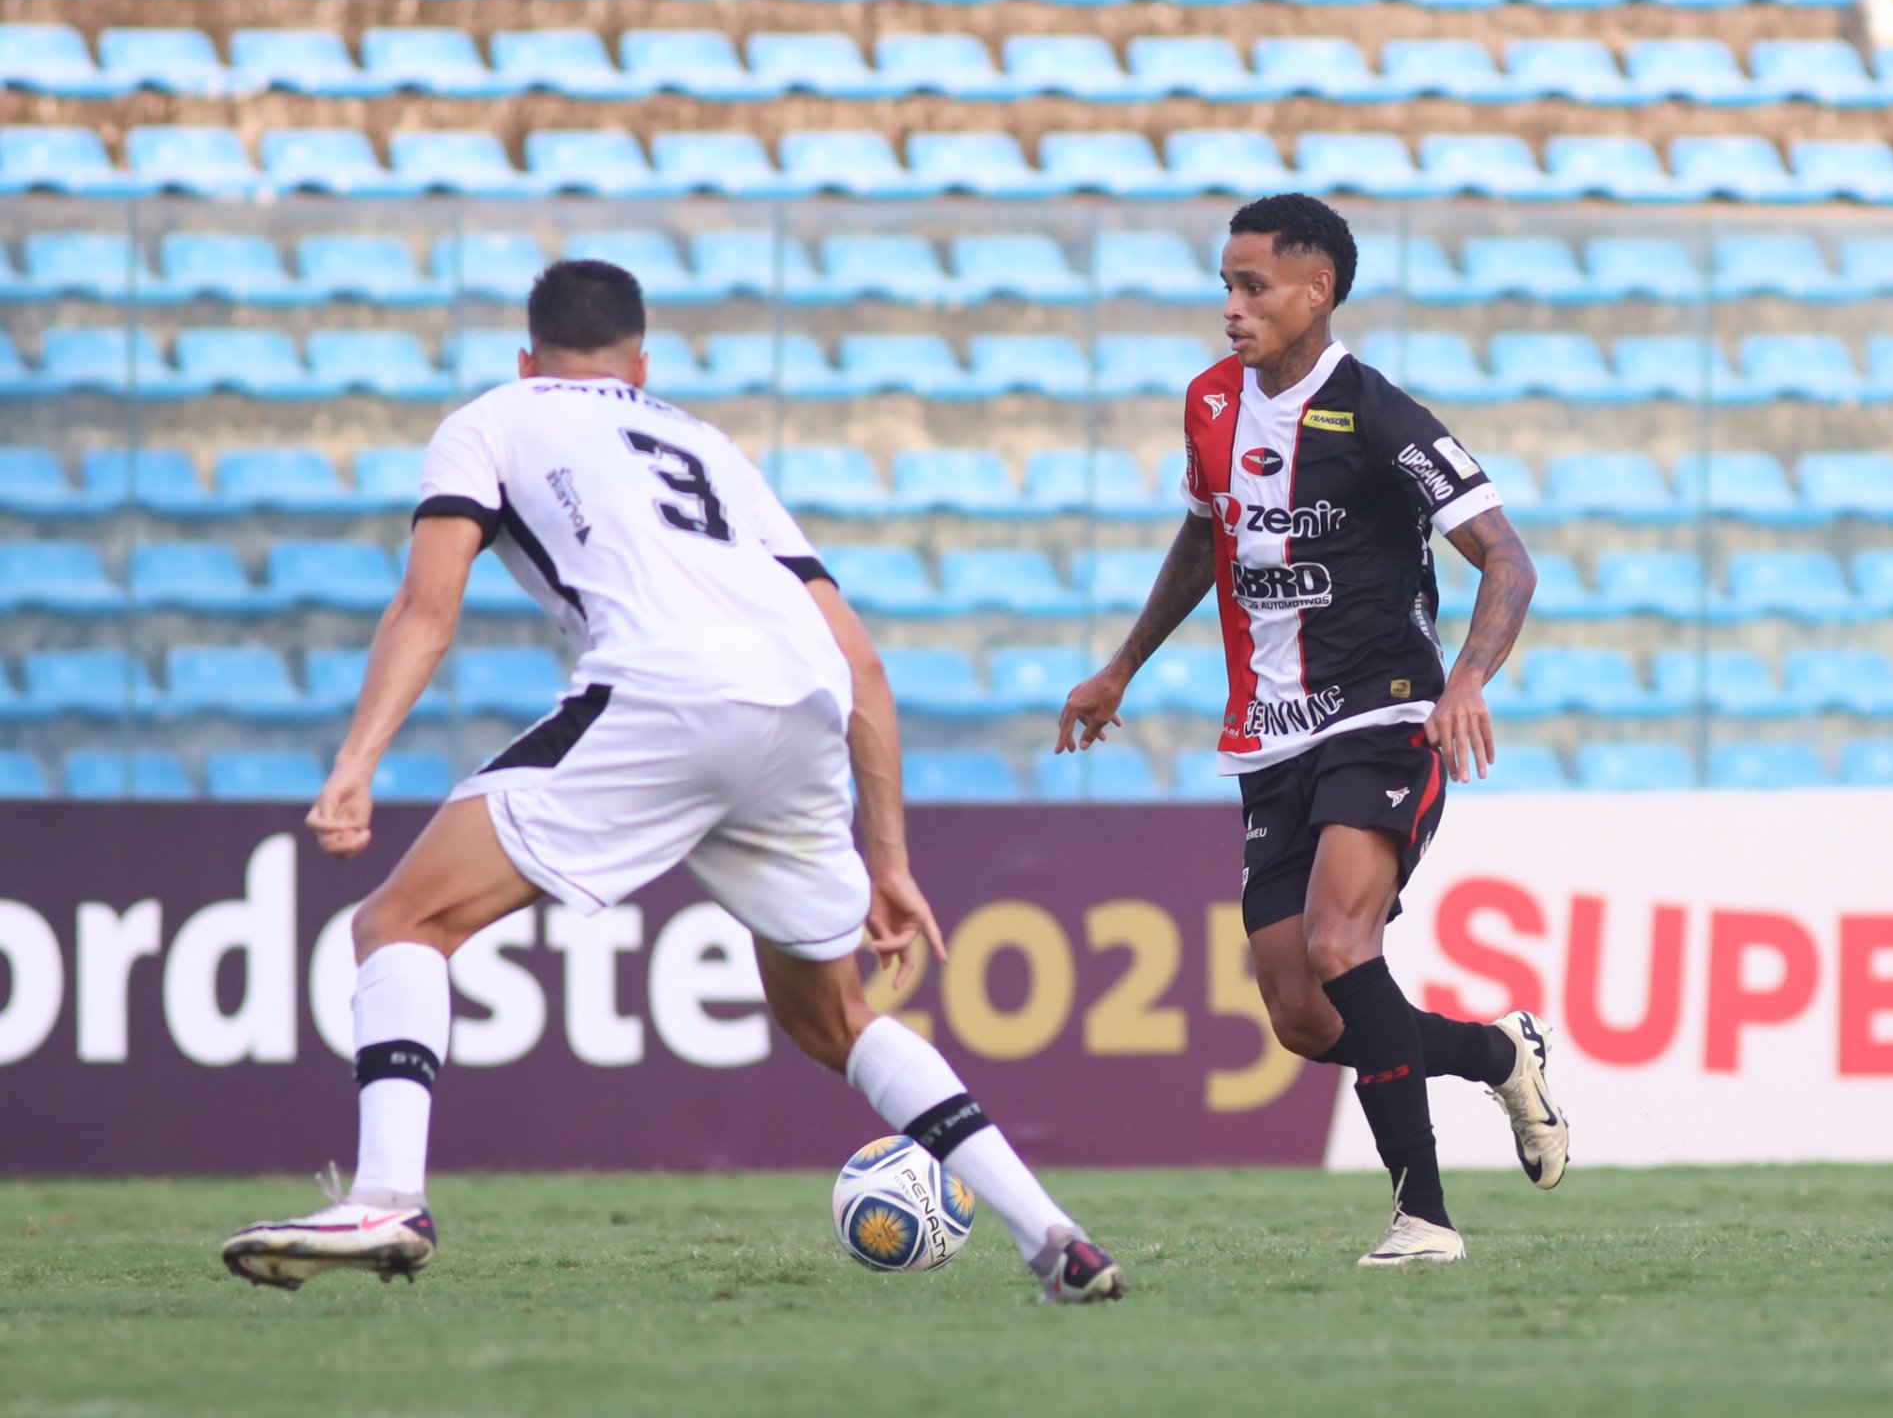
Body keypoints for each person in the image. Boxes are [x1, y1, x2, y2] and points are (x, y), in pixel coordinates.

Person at [221, 259, 1124, 1304]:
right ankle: (1053, 1233)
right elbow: (863, 665)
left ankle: (387, 1196)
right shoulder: (707, 443)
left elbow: (428, 606)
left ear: (528, 354)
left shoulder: (493, 416)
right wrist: (890, 858)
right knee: (834, 1018)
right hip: (800, 707)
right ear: (640, 363)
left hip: (663, 693)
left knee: (400, 926)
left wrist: (355, 762)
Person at [1056, 196, 1568, 1266]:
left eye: (1253, 286)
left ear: (1316, 289)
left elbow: (1508, 557)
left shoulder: (1379, 416)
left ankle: (1423, 1217)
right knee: (1304, 1014)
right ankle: (1493, 1049)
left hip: (1384, 710)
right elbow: (1206, 539)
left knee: (1344, 945)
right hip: (1268, 733)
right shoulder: (1209, 404)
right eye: (1226, 286)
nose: (1232, 308)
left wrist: (1465, 681)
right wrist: (1121, 666)